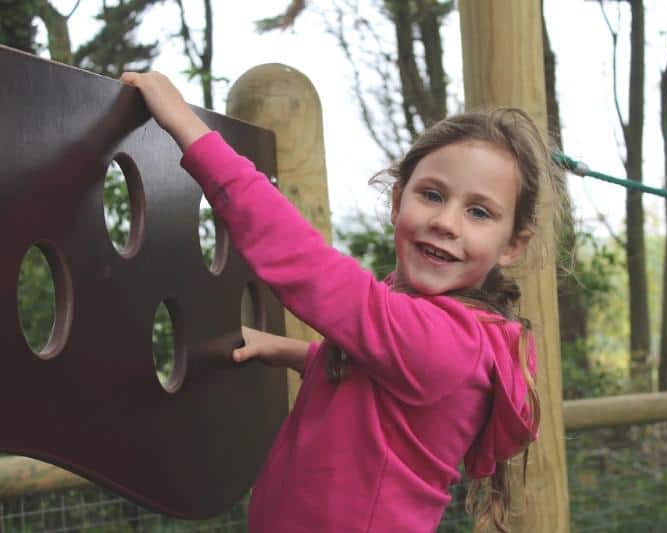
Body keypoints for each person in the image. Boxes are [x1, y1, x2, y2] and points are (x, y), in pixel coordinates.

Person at [121, 70, 560, 533]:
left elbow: (305, 265)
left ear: (512, 245)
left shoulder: (444, 342)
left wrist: (187, 129)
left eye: (479, 212)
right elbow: (378, 396)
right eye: (432, 195)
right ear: (397, 201)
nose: (447, 222)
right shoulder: (442, 333)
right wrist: (296, 353)